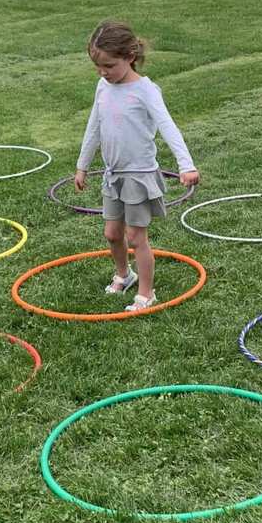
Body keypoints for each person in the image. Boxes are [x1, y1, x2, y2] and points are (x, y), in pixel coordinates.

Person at [75, 20, 199, 311]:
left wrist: (186, 165)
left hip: (138, 175)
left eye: (109, 65)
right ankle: (124, 274)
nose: (103, 72)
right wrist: (82, 165)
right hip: (112, 175)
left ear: (130, 56)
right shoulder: (103, 87)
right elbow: (94, 127)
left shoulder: (145, 90)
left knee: (135, 236)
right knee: (112, 233)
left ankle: (146, 293)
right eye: (97, 67)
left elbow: (168, 126)